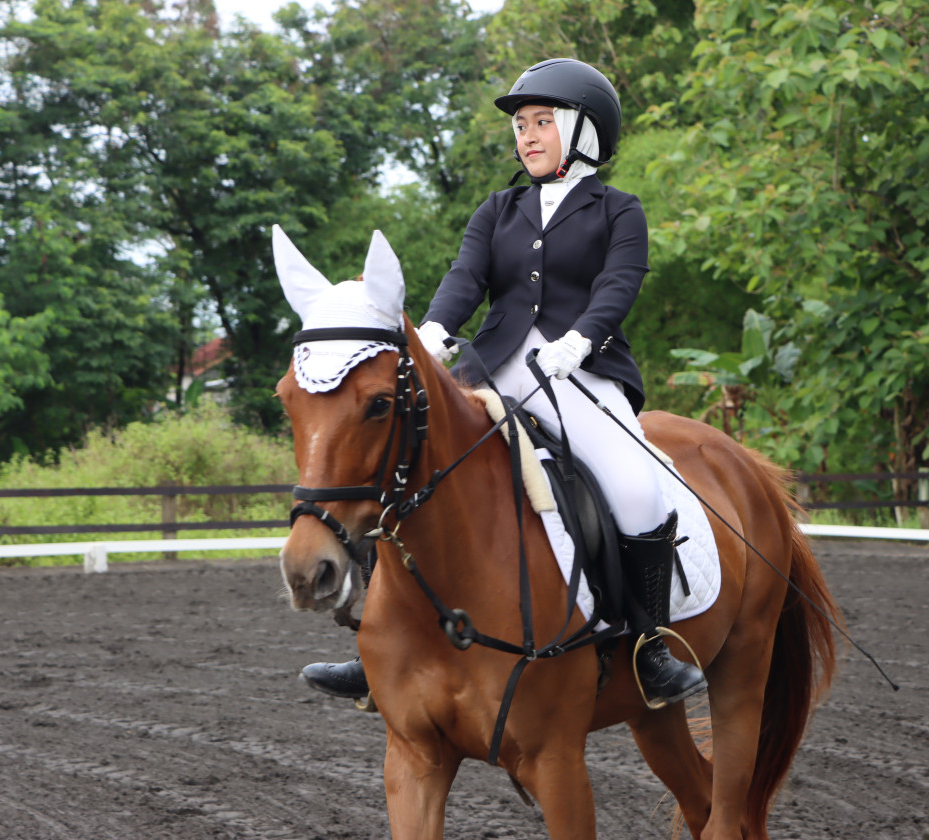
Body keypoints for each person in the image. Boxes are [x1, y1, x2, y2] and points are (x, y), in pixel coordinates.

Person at [301, 58, 707, 708]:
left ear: (584, 131)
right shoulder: (499, 208)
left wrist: (580, 339)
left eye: (542, 121)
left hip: (581, 372)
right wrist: (434, 332)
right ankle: (375, 647)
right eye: (521, 125)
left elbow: (618, 284)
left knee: (636, 488)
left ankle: (647, 646)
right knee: (401, 466)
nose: (527, 135)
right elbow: (466, 276)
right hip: (493, 368)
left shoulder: (618, 211)